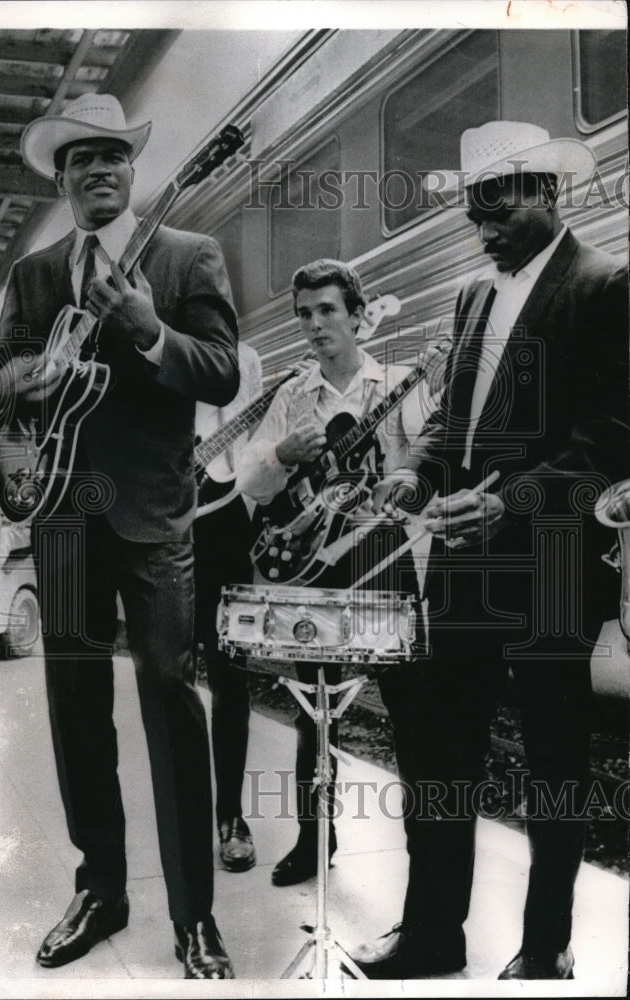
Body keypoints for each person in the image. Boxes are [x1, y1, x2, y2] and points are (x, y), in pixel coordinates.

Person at [348, 121, 629, 980]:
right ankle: (434, 933)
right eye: (474, 214)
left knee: (551, 760)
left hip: (549, 565)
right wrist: (412, 475)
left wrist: (507, 499)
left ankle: (544, 948)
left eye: (498, 208)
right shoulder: (473, 296)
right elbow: (450, 422)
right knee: (442, 749)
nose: (483, 228)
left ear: (552, 193)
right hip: (466, 564)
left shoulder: (606, 285)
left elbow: (609, 439)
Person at [0, 93, 239, 979]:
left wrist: (149, 330)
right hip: (59, 510)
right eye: (79, 159)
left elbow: (224, 370)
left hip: (152, 514)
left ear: (133, 170)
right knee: (76, 703)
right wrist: (34, 373)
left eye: (113, 156)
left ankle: (195, 916)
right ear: (61, 177)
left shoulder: (186, 255)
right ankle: (103, 888)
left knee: (171, 695)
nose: (98, 169)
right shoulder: (39, 272)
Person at [237, 259, 435, 887]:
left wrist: (394, 495)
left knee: (409, 709)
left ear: (357, 314)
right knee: (315, 707)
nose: (314, 324)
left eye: (327, 310)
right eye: (304, 313)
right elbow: (250, 480)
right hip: (311, 569)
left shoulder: (400, 384)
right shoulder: (292, 393)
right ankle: (312, 838)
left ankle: (422, 856)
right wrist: (281, 453)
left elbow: (431, 475)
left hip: (381, 562)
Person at [193, 340, 262, 873]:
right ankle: (185, 815)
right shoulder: (147, 344)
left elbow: (251, 447)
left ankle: (231, 817)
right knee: (167, 680)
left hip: (222, 523)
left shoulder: (244, 356)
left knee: (230, 677)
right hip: (162, 524)